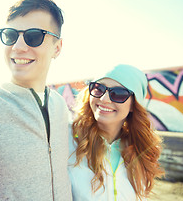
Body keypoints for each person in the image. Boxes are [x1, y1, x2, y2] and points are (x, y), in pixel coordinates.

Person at [0, 0, 72, 200]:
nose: (18, 46)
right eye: (10, 35)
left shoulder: (60, 105)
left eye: (34, 37)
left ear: (57, 48)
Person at [68, 64, 164, 201]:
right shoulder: (68, 139)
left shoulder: (140, 149)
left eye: (118, 94)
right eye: (98, 89)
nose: (104, 99)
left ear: (133, 105)